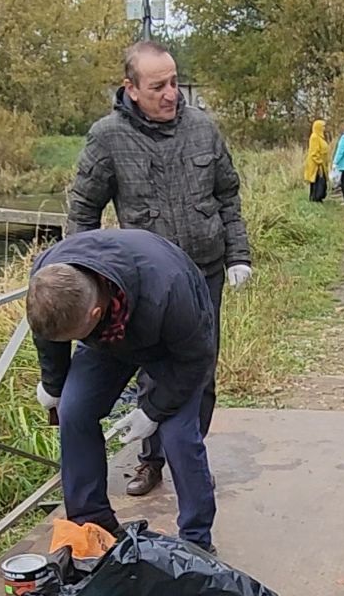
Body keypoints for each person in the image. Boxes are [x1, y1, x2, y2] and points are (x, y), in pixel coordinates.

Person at [69, 40, 251, 501]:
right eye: (158, 87)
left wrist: (238, 256)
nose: (172, 94)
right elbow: (82, 215)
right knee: (153, 370)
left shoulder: (203, 129)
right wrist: (83, 281)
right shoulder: (106, 138)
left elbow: (228, 195)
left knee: (199, 368)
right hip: (145, 283)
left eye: (174, 82)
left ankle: (191, 457)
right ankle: (151, 460)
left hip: (204, 271)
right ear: (130, 89)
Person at [28, 228, 219, 553]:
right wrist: (54, 384)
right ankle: (92, 524)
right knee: (73, 411)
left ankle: (196, 541)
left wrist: (153, 410)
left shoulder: (171, 289)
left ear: (95, 314)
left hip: (171, 346)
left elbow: (197, 359)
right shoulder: (48, 276)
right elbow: (48, 335)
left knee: (177, 435)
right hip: (106, 342)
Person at [304, 119, 330, 203]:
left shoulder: (320, 137)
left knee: (321, 182)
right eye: (323, 126)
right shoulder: (314, 137)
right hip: (316, 165)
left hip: (321, 164)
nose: (324, 128)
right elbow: (313, 152)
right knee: (317, 181)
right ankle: (315, 198)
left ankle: (318, 198)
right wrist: (319, 162)